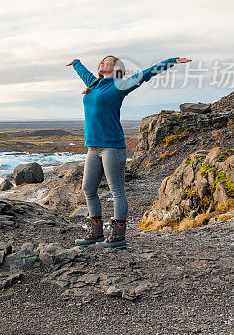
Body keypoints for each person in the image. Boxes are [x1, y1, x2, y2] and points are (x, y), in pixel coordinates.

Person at [66, 55, 191, 249]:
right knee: (88, 189)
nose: (102, 63)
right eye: (101, 61)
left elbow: (147, 73)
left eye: (107, 61)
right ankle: (96, 233)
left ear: (116, 69)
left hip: (112, 147)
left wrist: (172, 60)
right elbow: (83, 72)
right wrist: (76, 63)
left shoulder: (120, 86)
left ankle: (118, 237)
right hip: (93, 148)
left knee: (116, 190)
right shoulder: (93, 84)